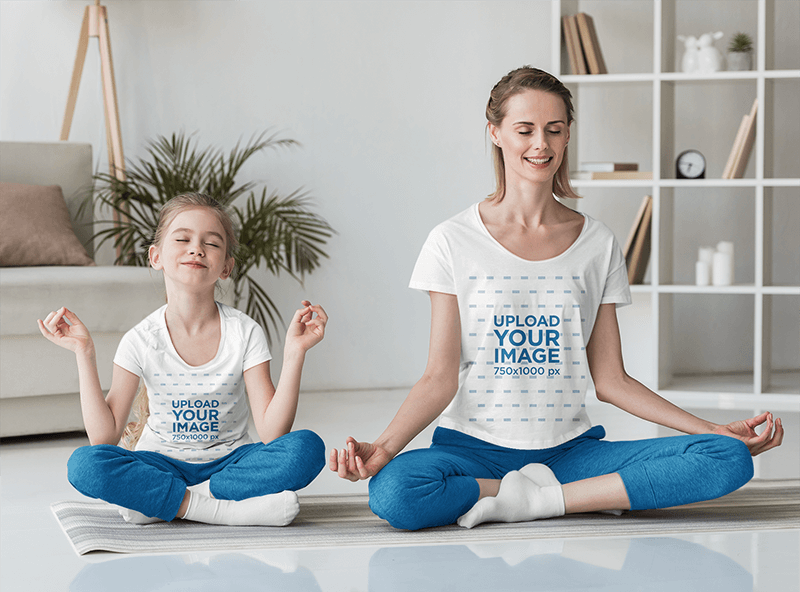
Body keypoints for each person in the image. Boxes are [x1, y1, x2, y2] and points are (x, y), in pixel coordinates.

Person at [330, 66, 784, 531]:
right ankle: (567, 498)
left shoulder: (597, 242)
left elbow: (611, 380)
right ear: (496, 133)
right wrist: (384, 448)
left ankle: (539, 500)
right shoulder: (451, 240)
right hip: (471, 451)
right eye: (524, 130)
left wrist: (711, 428)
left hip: (571, 452)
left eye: (554, 130)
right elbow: (439, 377)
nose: (541, 144)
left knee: (726, 458)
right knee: (395, 492)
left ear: (568, 136)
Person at [39, 192, 328, 527]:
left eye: (213, 243)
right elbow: (104, 439)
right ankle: (222, 511)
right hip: (161, 463)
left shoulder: (245, 332)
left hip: (230, 466)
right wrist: (84, 353)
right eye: (183, 239)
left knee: (307, 448)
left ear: (226, 267)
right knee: (84, 464)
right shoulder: (139, 339)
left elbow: (273, 432)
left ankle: (165, 500)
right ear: (156, 256)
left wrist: (295, 352)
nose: (197, 248)